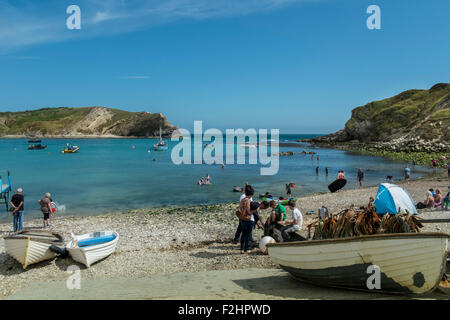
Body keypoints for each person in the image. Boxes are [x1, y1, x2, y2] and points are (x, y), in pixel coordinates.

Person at [237, 188, 258, 254]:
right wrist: (254, 210)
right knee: (247, 235)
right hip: (248, 219)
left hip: (242, 218)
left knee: (243, 234)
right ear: (251, 194)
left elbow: (240, 208)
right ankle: (246, 249)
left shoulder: (242, 199)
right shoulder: (248, 200)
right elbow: (249, 211)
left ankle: (241, 248)